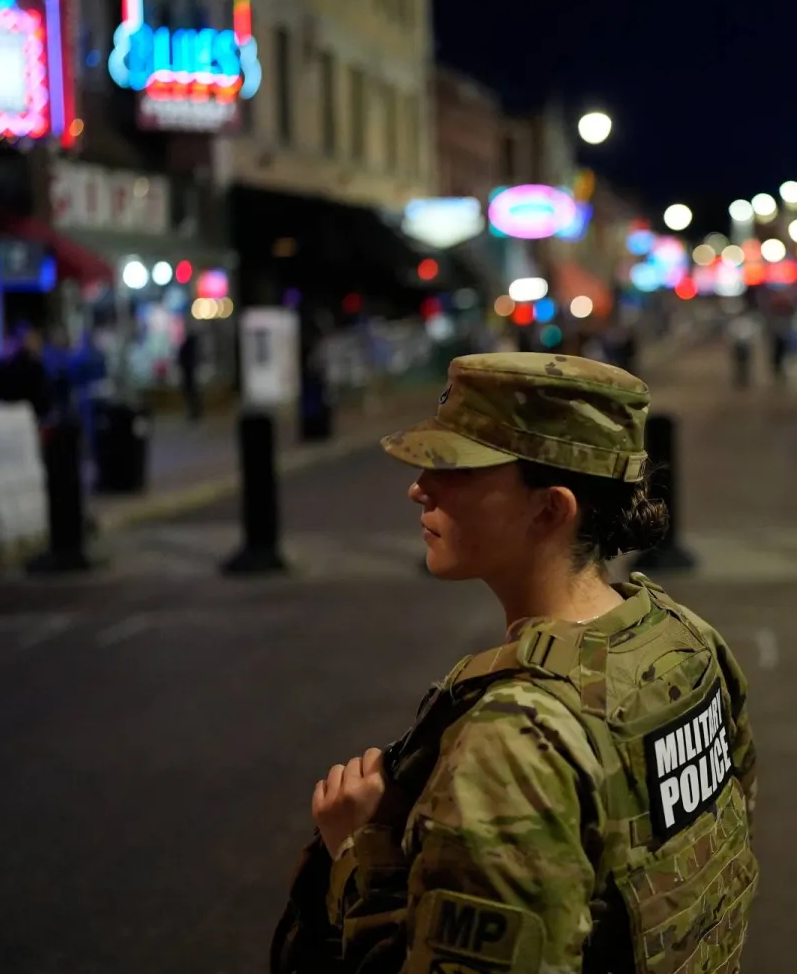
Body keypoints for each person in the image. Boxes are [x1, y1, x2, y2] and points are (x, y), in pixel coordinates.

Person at [272, 352, 760, 974]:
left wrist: (358, 852)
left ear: (551, 509)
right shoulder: (684, 642)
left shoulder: (517, 743)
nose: (419, 486)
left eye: (457, 469)